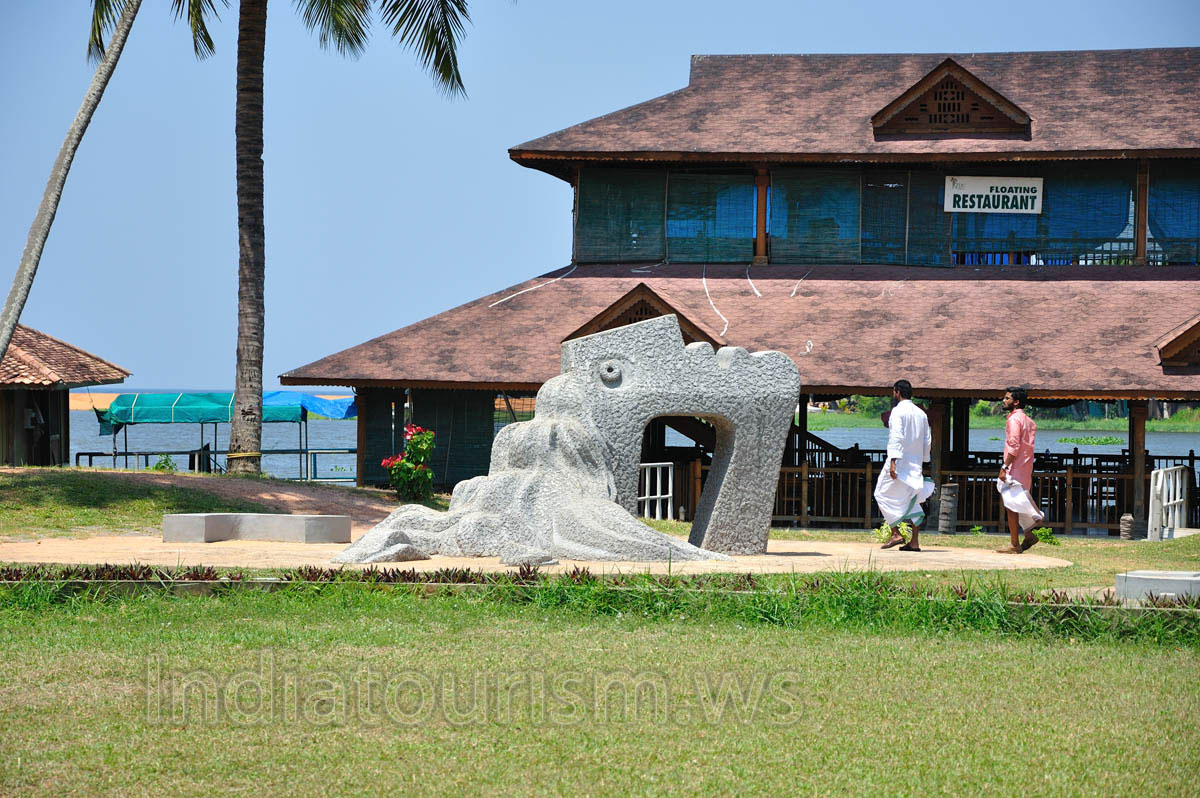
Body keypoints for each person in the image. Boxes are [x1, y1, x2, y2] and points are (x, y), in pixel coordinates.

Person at [875, 380, 934, 551]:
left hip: (899, 462)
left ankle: (895, 533)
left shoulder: (897, 412)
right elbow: (927, 440)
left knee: (881, 494)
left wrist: (893, 461)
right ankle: (914, 542)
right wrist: (924, 460)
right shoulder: (921, 413)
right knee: (912, 498)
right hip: (915, 463)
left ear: (897, 392)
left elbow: (896, 437)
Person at [997, 386, 1040, 553]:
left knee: (1012, 506)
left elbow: (1014, 447)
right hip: (1025, 468)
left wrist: (1004, 467)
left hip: (1014, 469)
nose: (1004, 400)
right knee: (1017, 503)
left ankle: (1014, 544)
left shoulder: (1014, 420)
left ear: (1016, 402)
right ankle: (1028, 535)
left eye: (1007, 398)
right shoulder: (1029, 421)